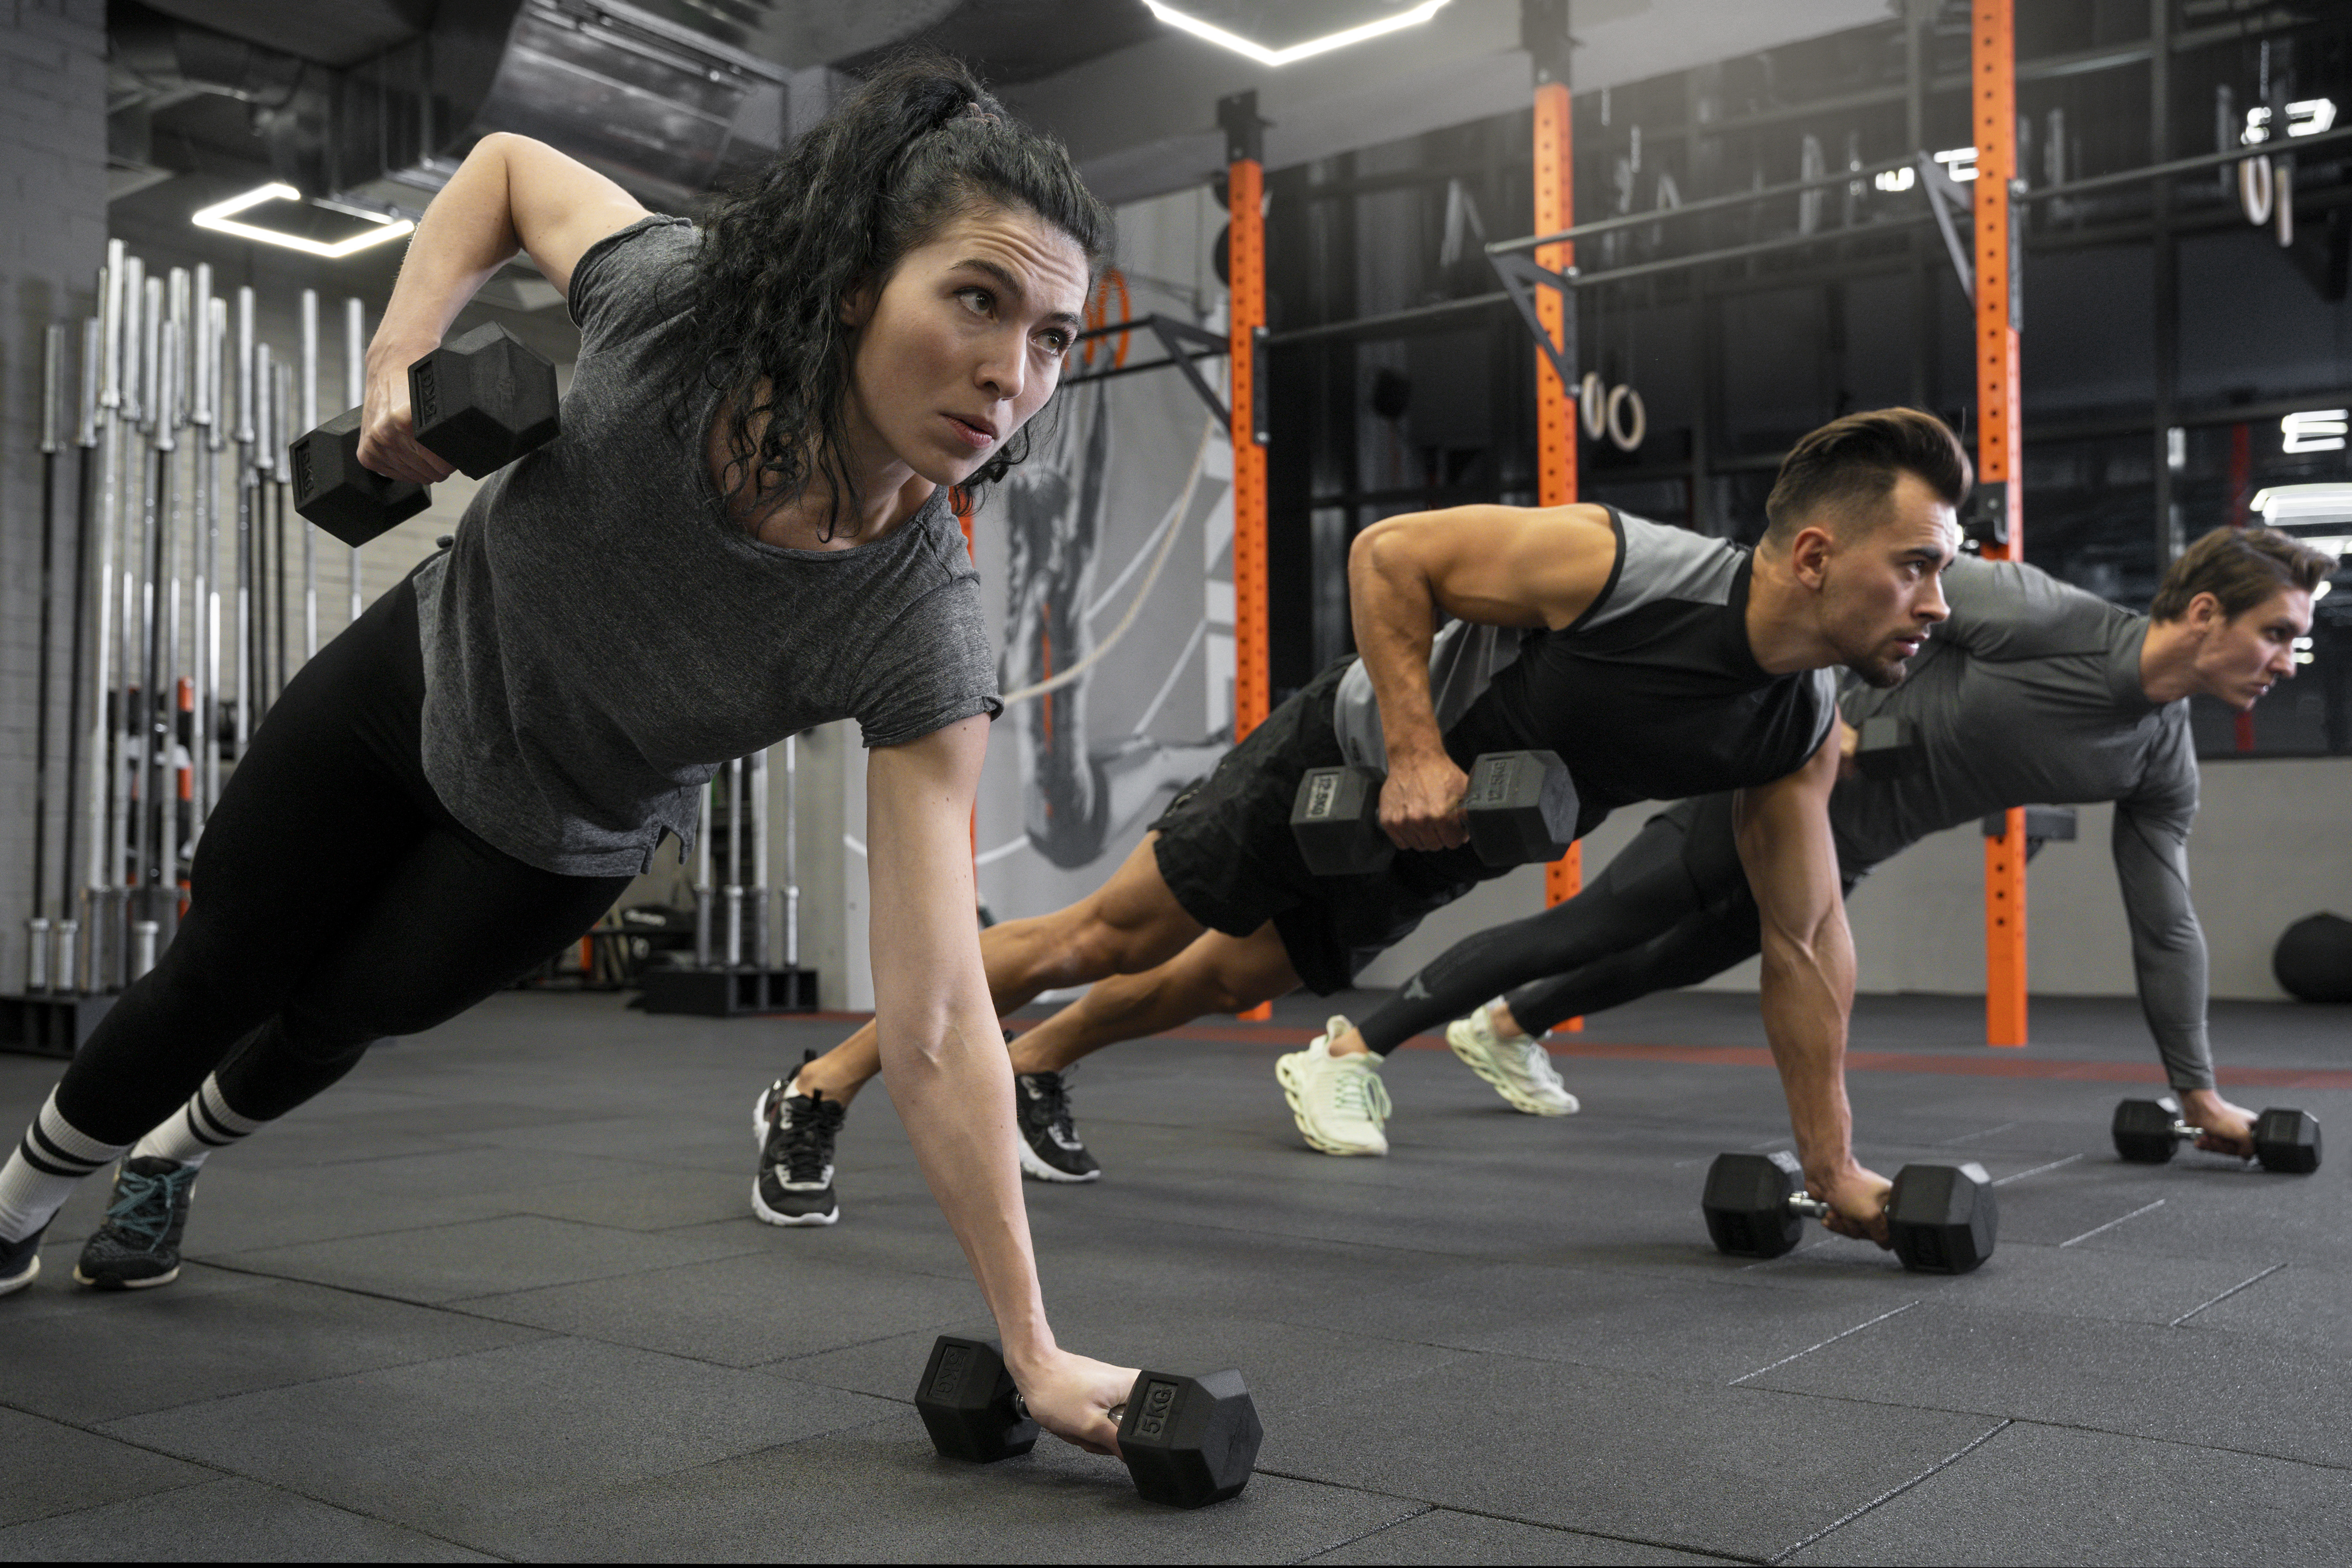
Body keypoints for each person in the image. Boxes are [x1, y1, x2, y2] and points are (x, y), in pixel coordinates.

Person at [0, 58, 1140, 1454]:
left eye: (1052, 339)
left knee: (341, 1011)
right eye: (977, 298)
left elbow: (946, 1017)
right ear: (857, 284)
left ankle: (172, 1161)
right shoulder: (673, 307)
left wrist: (1033, 1345)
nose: (1008, 374)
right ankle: (15, 1209)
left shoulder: (915, 631)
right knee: (220, 965)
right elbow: (501, 169)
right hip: (407, 680)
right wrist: (394, 367)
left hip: (551, 836)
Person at [753, 407, 1967, 1244]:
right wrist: (1418, 751)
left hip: (1442, 843)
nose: (1937, 603)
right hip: (1338, 761)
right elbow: (1394, 555)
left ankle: (1036, 1068)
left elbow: (1805, 945)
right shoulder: (1625, 567)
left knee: (1219, 986)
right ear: (1816, 554)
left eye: (1946, 573)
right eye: (1917, 565)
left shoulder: (1795, 731)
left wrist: (1833, 1166)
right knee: (1106, 939)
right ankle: (820, 1087)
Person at [1398, 523, 2332, 1155]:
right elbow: (1859, 592)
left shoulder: (2160, 760)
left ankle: (1508, 1025)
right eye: (2278, 633)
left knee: (1674, 960)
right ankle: (1351, 1046)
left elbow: (2166, 927)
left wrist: (2199, 1091)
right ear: (2206, 613)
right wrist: (1822, 707)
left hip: (1851, 849)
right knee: (1598, 923)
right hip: (1775, 789)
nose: (2290, 662)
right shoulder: (2048, 616)